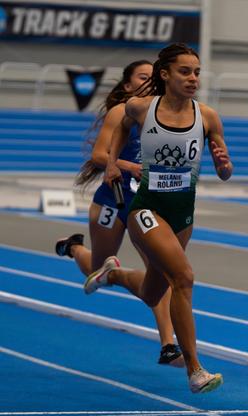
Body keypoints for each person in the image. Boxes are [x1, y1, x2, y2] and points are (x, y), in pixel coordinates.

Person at [91, 43, 233, 394]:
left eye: (197, 72)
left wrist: (224, 164)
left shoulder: (208, 116)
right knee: (183, 277)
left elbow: (225, 171)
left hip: (182, 213)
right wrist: (113, 163)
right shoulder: (141, 107)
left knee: (154, 291)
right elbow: (121, 128)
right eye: (185, 71)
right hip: (146, 209)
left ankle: (114, 273)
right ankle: (195, 369)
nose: (193, 78)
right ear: (165, 74)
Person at [55, 60, 183, 367]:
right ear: (128, 85)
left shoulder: (165, 114)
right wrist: (129, 166)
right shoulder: (120, 112)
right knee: (95, 269)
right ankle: (74, 248)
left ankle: (168, 345)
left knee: (160, 272)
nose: (149, 81)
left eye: (154, 76)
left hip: (145, 204)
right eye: (142, 76)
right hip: (112, 201)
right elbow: (100, 156)